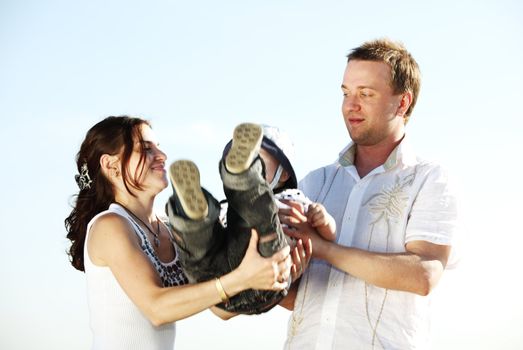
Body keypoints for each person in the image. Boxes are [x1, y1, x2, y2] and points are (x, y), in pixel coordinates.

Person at [279, 39, 461, 349]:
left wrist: (323, 249)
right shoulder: (315, 183)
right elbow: (299, 295)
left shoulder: (429, 179)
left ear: (402, 103)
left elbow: (425, 273)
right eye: (346, 93)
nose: (351, 105)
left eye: (366, 94)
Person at [65, 116, 292, 350]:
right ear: (111, 165)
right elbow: (156, 308)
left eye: (159, 148)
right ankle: (240, 181)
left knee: (208, 242)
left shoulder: (170, 230)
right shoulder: (110, 225)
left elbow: (218, 307)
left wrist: (265, 273)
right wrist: (242, 277)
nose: (162, 156)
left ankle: (233, 188)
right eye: (146, 149)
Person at [165, 122, 334, 317]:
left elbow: (330, 235)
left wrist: (324, 218)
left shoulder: (294, 199)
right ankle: (192, 219)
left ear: (284, 173)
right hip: (223, 282)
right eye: (246, 160)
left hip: (264, 278)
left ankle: (234, 187)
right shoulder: (233, 207)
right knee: (205, 243)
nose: (253, 162)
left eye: (257, 161)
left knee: (257, 211)